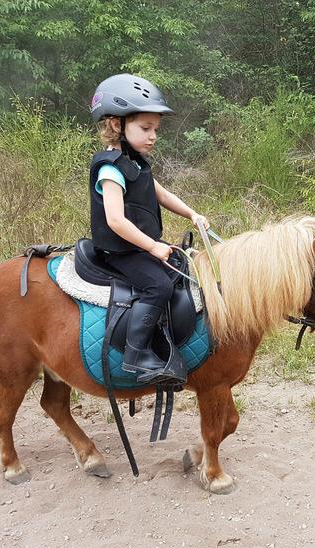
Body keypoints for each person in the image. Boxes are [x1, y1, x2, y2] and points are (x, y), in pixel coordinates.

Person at [88, 73, 208, 385]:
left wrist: (192, 213)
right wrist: (153, 246)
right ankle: (135, 354)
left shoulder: (136, 163)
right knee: (160, 286)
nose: (153, 135)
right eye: (145, 128)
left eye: (155, 129)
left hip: (137, 247)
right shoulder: (110, 169)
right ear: (117, 125)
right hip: (121, 252)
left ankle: (162, 340)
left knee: (178, 272)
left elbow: (163, 195)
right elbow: (115, 220)